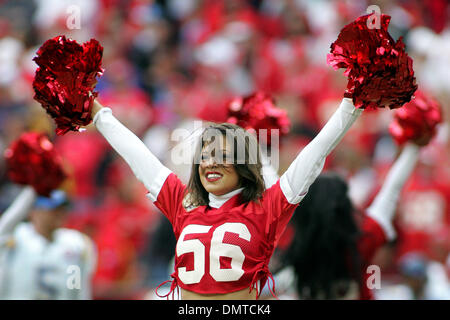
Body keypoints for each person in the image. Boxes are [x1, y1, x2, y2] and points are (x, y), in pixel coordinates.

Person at [90, 88, 364, 300]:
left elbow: (314, 155)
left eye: (222, 156)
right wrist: (98, 113)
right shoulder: (181, 202)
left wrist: (349, 106)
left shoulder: (266, 207)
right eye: (205, 157)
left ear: (243, 165)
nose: (210, 163)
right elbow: (137, 156)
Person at [280, 139, 426, 299]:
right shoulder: (361, 244)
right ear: (345, 209)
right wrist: (414, 145)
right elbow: (391, 192)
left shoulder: (298, 251)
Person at [0, 188, 97, 299]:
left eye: (63, 209)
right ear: (34, 211)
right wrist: (32, 189)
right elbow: (4, 228)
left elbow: (78, 290)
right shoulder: (16, 236)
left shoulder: (76, 245)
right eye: (53, 209)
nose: (60, 213)